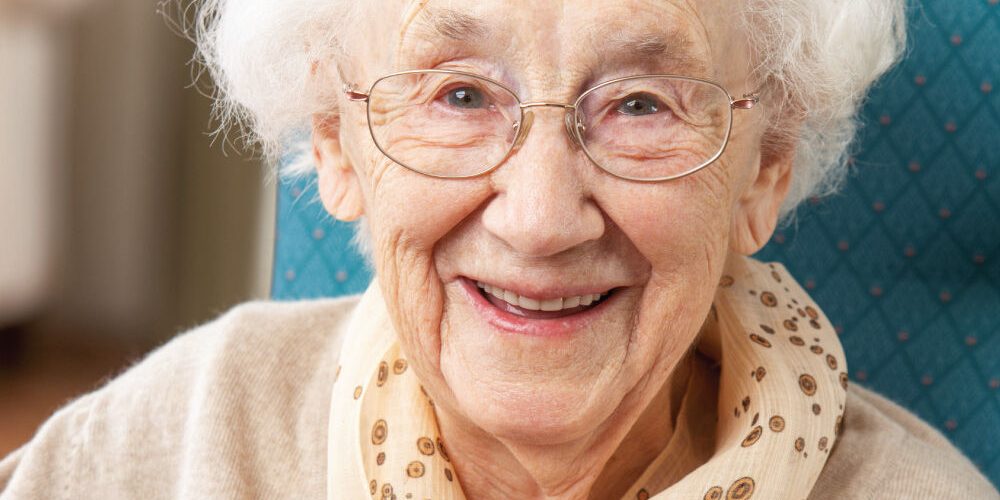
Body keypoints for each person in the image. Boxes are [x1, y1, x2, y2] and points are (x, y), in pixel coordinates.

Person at [2, 0, 998, 498]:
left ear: (766, 166)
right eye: (461, 95)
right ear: (332, 137)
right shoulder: (174, 445)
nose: (539, 216)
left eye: (641, 103)